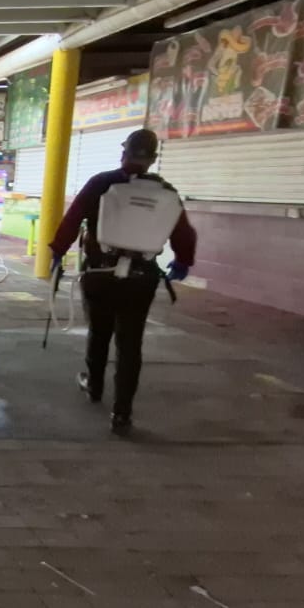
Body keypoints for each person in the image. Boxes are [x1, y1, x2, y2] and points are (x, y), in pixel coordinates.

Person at [49, 128, 196, 435]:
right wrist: (183, 261)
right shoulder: (166, 191)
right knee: (130, 343)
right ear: (153, 158)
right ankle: (122, 413)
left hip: (99, 274)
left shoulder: (101, 183)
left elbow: (72, 219)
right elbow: (184, 233)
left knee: (99, 332)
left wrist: (57, 252)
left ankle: (94, 386)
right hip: (141, 278)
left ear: (123, 153)